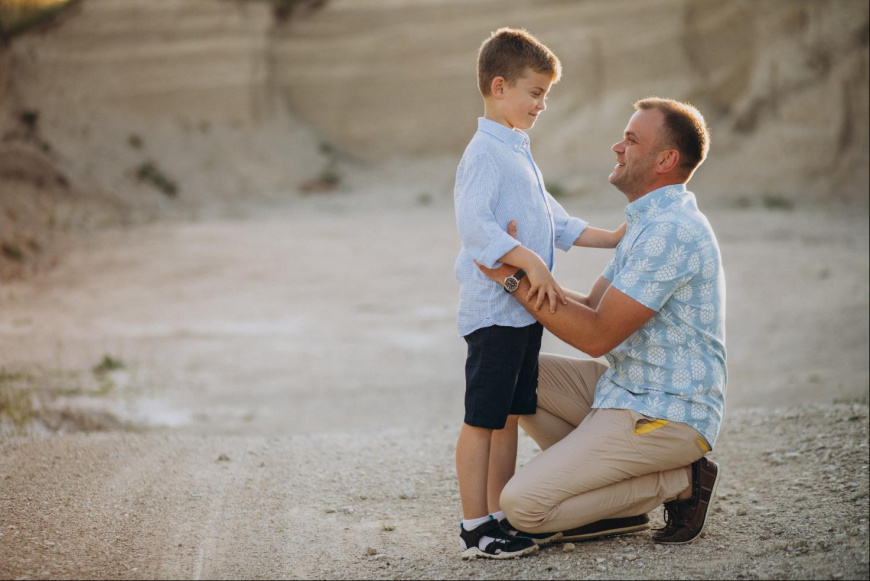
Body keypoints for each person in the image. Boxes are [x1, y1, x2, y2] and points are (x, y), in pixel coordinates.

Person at [476, 97, 726, 546]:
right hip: (626, 390)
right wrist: (522, 273)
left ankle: (683, 479)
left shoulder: (671, 231)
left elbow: (595, 335)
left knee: (524, 507)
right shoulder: (650, 222)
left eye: (631, 140)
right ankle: (614, 510)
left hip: (664, 412)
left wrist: (512, 278)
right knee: (519, 372)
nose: (617, 147)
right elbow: (592, 304)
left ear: (666, 159)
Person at [453, 27, 625, 560]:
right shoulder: (484, 152)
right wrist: (526, 258)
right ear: (499, 86)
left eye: (546, 95)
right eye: (536, 93)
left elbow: (554, 221)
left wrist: (616, 237)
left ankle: (500, 515)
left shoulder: (518, 151)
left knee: (508, 418)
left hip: (523, 316)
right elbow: (474, 228)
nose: (542, 105)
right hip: (493, 314)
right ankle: (474, 525)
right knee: (482, 421)